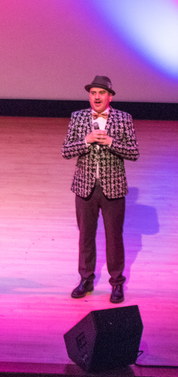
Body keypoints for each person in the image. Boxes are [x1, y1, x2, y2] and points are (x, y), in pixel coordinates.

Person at [62, 76, 139, 303]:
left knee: (114, 237)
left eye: (101, 93)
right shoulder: (78, 117)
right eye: (93, 92)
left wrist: (112, 143)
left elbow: (134, 152)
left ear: (110, 96)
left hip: (113, 188)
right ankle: (85, 279)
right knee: (85, 236)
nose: (96, 96)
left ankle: (116, 284)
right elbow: (66, 150)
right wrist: (86, 141)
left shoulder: (123, 119)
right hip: (84, 187)